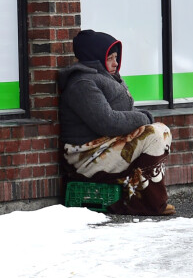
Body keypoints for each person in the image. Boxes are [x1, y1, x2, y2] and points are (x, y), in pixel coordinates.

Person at [58, 29, 175, 216]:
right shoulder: (82, 83)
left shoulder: (106, 78)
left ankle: (140, 198)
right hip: (85, 155)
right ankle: (148, 203)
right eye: (110, 58)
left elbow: (122, 116)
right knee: (154, 134)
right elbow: (108, 122)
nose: (116, 63)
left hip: (106, 145)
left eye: (116, 57)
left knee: (159, 132)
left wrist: (143, 120)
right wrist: (144, 118)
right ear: (95, 57)